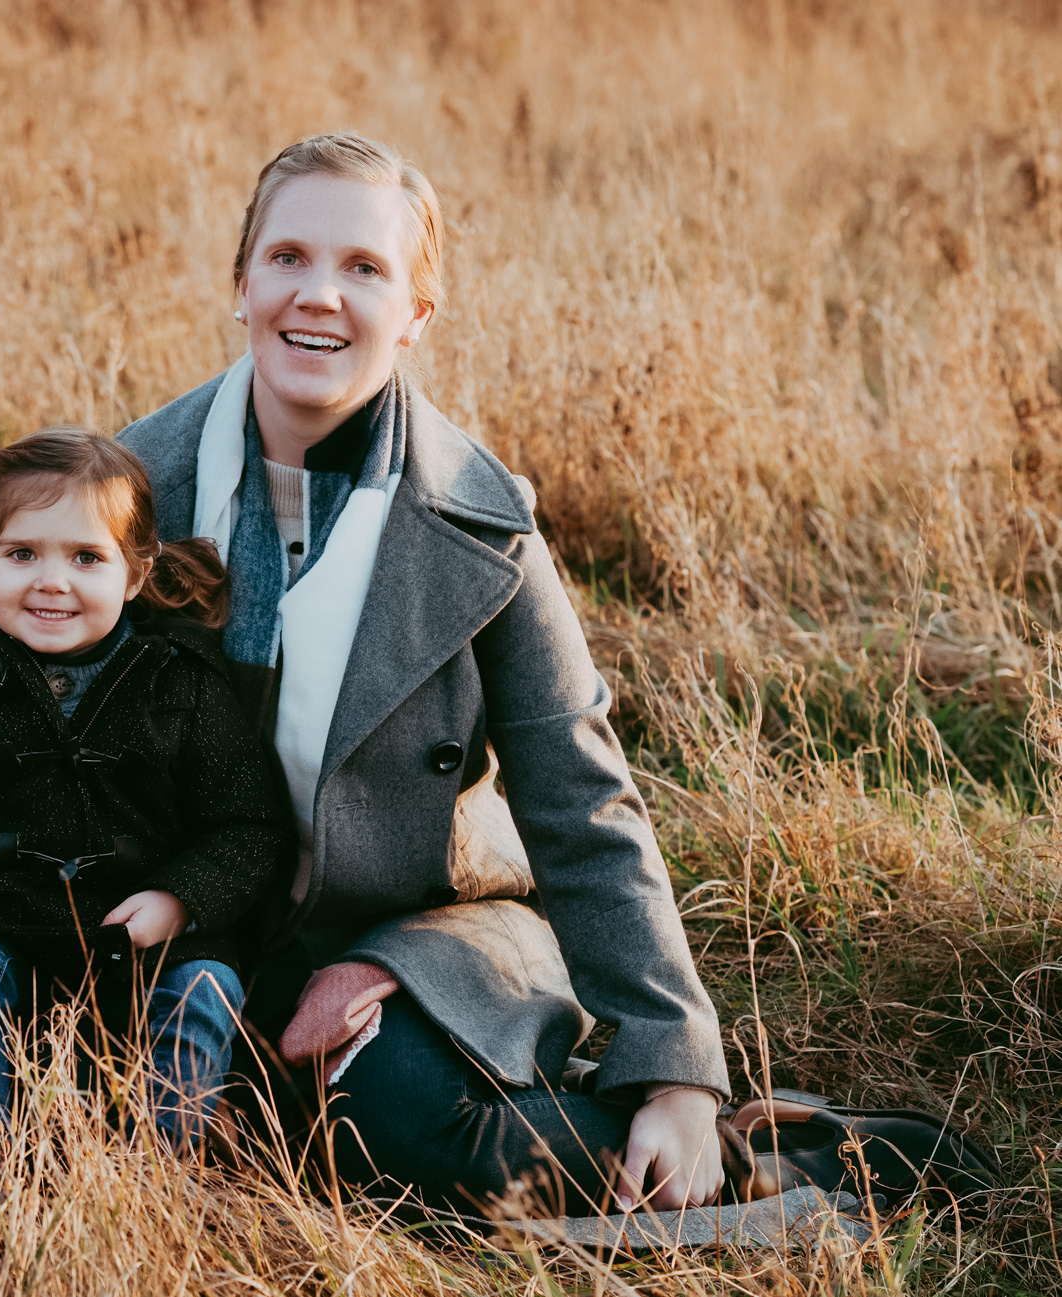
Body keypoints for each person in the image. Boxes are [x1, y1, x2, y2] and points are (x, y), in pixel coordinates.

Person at [117, 133, 732, 1217]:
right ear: (242, 281)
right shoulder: (128, 488)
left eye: (366, 269)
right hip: (176, 925)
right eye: (290, 257)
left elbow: (579, 794)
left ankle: (764, 1152)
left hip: (421, 924)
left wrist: (674, 1067)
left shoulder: (483, 527)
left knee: (399, 1120)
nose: (319, 295)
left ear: (418, 313)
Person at [0, 431, 292, 1163]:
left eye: (85, 557)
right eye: (21, 554)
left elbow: (249, 824)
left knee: (207, 987)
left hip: (145, 940)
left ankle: (163, 1164)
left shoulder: (182, 679)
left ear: (135, 575)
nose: (51, 581)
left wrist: (180, 898)